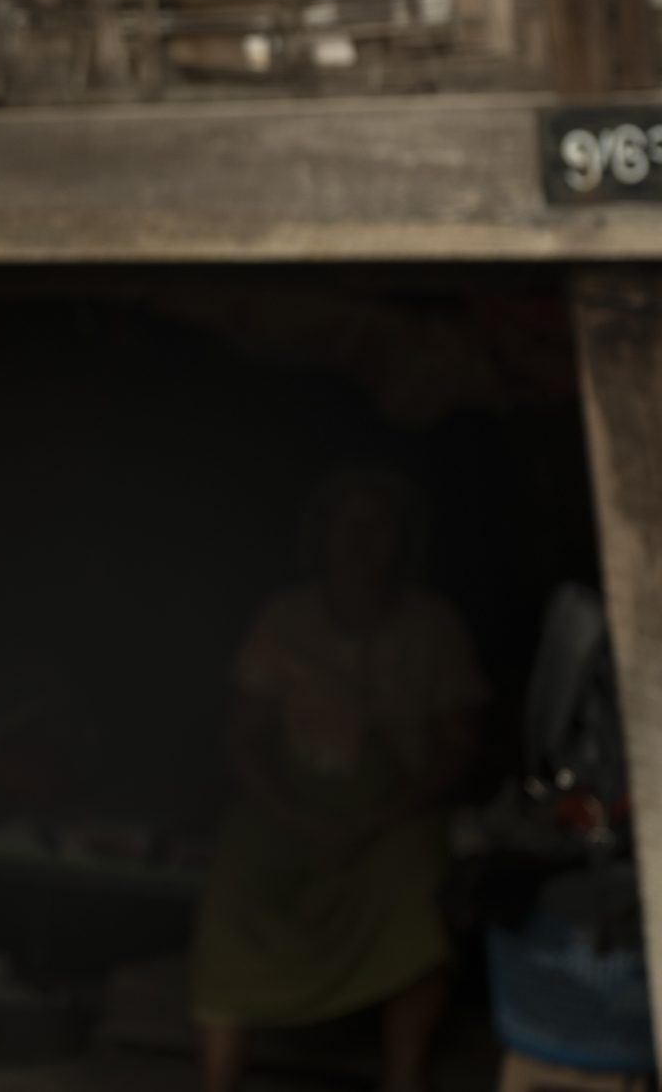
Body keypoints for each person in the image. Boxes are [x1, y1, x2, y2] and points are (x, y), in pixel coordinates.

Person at [193, 468, 486, 1092]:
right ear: (320, 534)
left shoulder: (432, 623)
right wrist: (294, 815)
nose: (359, 539)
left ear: (401, 540)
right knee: (234, 882)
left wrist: (382, 817)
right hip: (291, 801)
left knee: (420, 888)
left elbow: (458, 748)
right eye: (345, 523)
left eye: (377, 525)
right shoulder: (284, 617)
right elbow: (241, 741)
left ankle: (403, 1077)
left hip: (397, 807)